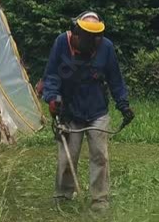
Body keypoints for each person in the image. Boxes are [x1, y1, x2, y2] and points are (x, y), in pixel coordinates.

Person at [41, 11, 134, 211]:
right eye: (87, 36)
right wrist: (52, 97)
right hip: (69, 110)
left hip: (97, 110)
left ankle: (99, 199)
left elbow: (115, 79)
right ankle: (63, 195)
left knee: (100, 155)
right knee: (68, 156)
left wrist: (124, 105)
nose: (92, 40)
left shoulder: (106, 47)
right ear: (76, 31)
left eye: (95, 36)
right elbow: (51, 75)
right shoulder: (62, 43)